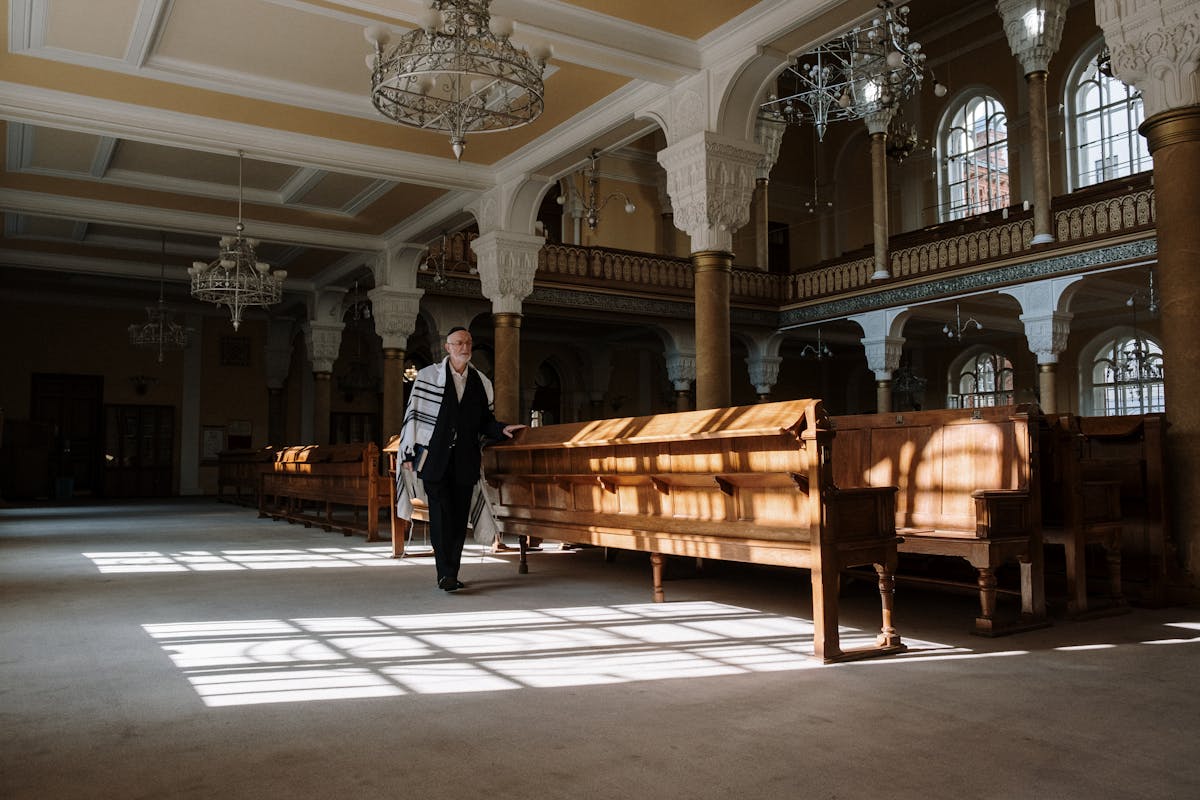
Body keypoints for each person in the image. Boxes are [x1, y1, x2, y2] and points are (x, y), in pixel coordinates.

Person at [397, 327, 524, 592]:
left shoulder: (481, 381)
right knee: (442, 516)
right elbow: (414, 416)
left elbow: (485, 422)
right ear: (448, 347)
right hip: (434, 460)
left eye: (468, 342)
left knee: (457, 520)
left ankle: (451, 572)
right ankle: (444, 574)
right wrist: (408, 452)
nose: (464, 347)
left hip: (464, 461)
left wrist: (501, 429)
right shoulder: (428, 376)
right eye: (458, 343)